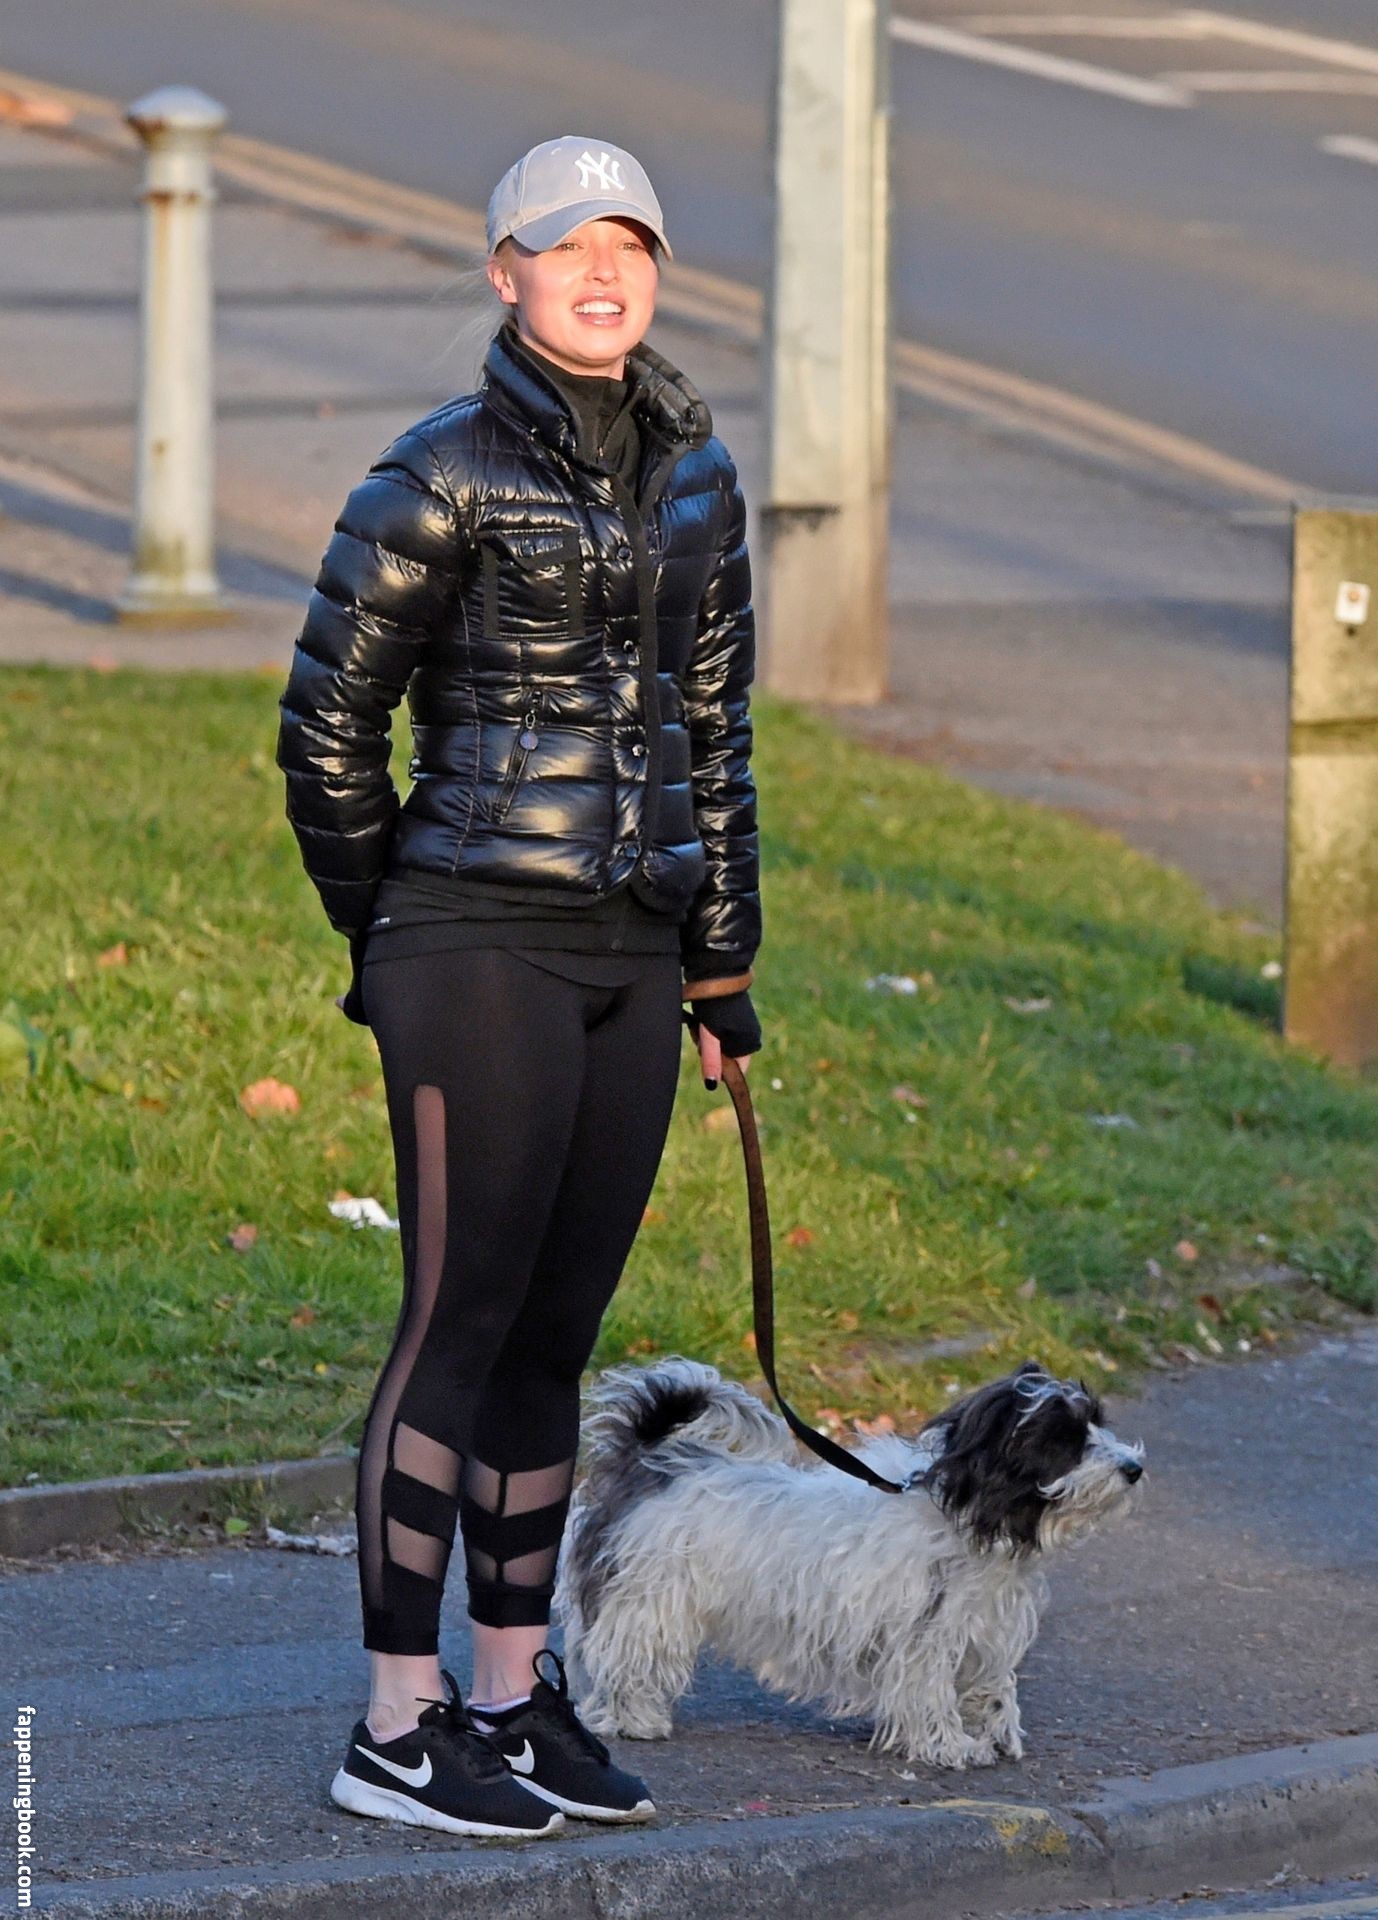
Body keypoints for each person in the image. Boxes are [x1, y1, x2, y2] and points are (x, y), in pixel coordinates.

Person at [275, 134, 761, 1840]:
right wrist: (393, 930)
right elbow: (326, 731)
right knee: (458, 1322)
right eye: (566, 246)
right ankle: (395, 1726)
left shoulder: (697, 479)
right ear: (507, 273)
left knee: (555, 1336)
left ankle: (506, 1693)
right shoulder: (435, 475)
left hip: (634, 952)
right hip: (469, 942)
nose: (602, 271)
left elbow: (715, 734)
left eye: (630, 242)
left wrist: (723, 967)